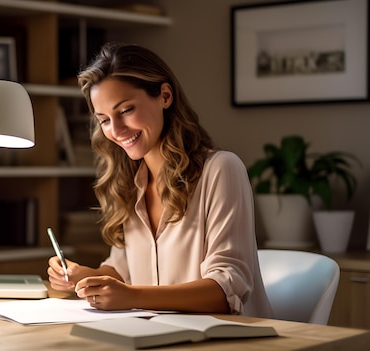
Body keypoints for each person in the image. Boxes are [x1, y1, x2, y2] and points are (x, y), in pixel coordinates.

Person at [47, 42, 272, 318]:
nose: (116, 130)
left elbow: (225, 292)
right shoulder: (127, 184)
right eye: (104, 119)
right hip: (158, 337)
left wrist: (130, 295)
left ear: (165, 96)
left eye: (126, 110)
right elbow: (123, 271)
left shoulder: (221, 170)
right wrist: (85, 277)